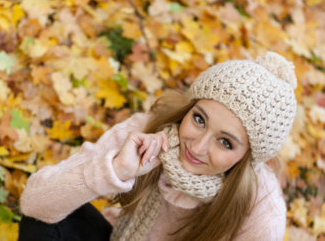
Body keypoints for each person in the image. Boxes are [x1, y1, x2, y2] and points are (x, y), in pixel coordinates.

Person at [18, 51, 297, 241]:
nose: (197, 147)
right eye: (199, 119)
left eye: (225, 142)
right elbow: (34, 203)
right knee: (53, 215)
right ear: (189, 107)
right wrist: (116, 169)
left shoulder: (261, 208)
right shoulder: (147, 132)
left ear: (248, 157)